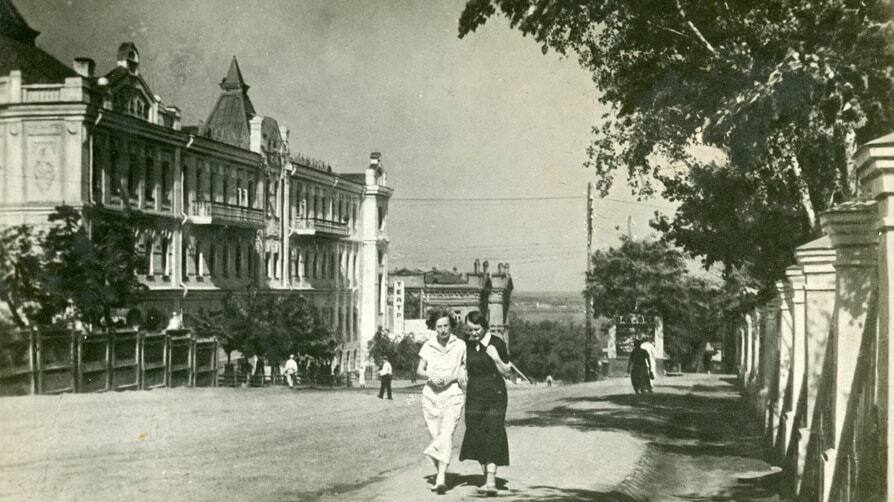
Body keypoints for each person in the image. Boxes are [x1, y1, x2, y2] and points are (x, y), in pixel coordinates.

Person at [459, 311, 511, 496]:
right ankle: (486, 476)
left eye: (476, 329)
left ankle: (491, 480)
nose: (472, 333)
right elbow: (463, 365)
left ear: (485, 326)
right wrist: (460, 370)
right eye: (469, 330)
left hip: (495, 394)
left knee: (493, 432)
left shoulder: (497, 343)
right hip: (474, 394)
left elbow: (507, 372)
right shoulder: (466, 345)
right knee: (476, 432)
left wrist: (496, 357)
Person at [417, 308, 467, 494]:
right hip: (431, 396)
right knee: (436, 435)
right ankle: (440, 471)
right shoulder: (428, 345)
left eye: (446, 325)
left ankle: (440, 478)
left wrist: (457, 375)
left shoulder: (460, 345)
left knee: (446, 434)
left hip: (453, 394)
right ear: (434, 327)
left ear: (451, 326)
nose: (443, 330)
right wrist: (431, 375)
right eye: (439, 326)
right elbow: (419, 370)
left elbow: (464, 368)